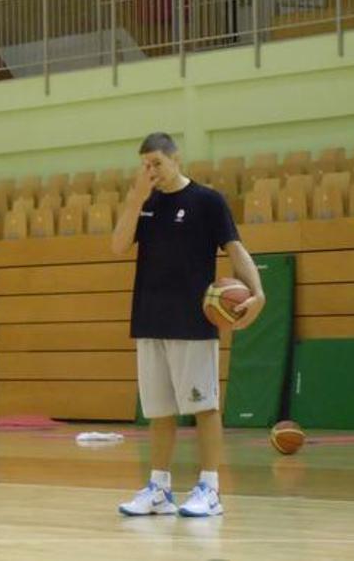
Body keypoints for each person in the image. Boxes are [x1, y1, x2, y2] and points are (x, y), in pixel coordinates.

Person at [111, 132, 265, 517]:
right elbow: (117, 246)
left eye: (157, 164)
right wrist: (136, 197)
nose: (152, 172)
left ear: (176, 159)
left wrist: (258, 292)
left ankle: (210, 489)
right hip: (149, 319)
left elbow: (235, 248)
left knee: (204, 406)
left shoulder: (207, 201)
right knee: (160, 411)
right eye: (145, 166)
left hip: (193, 322)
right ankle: (159, 490)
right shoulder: (145, 204)